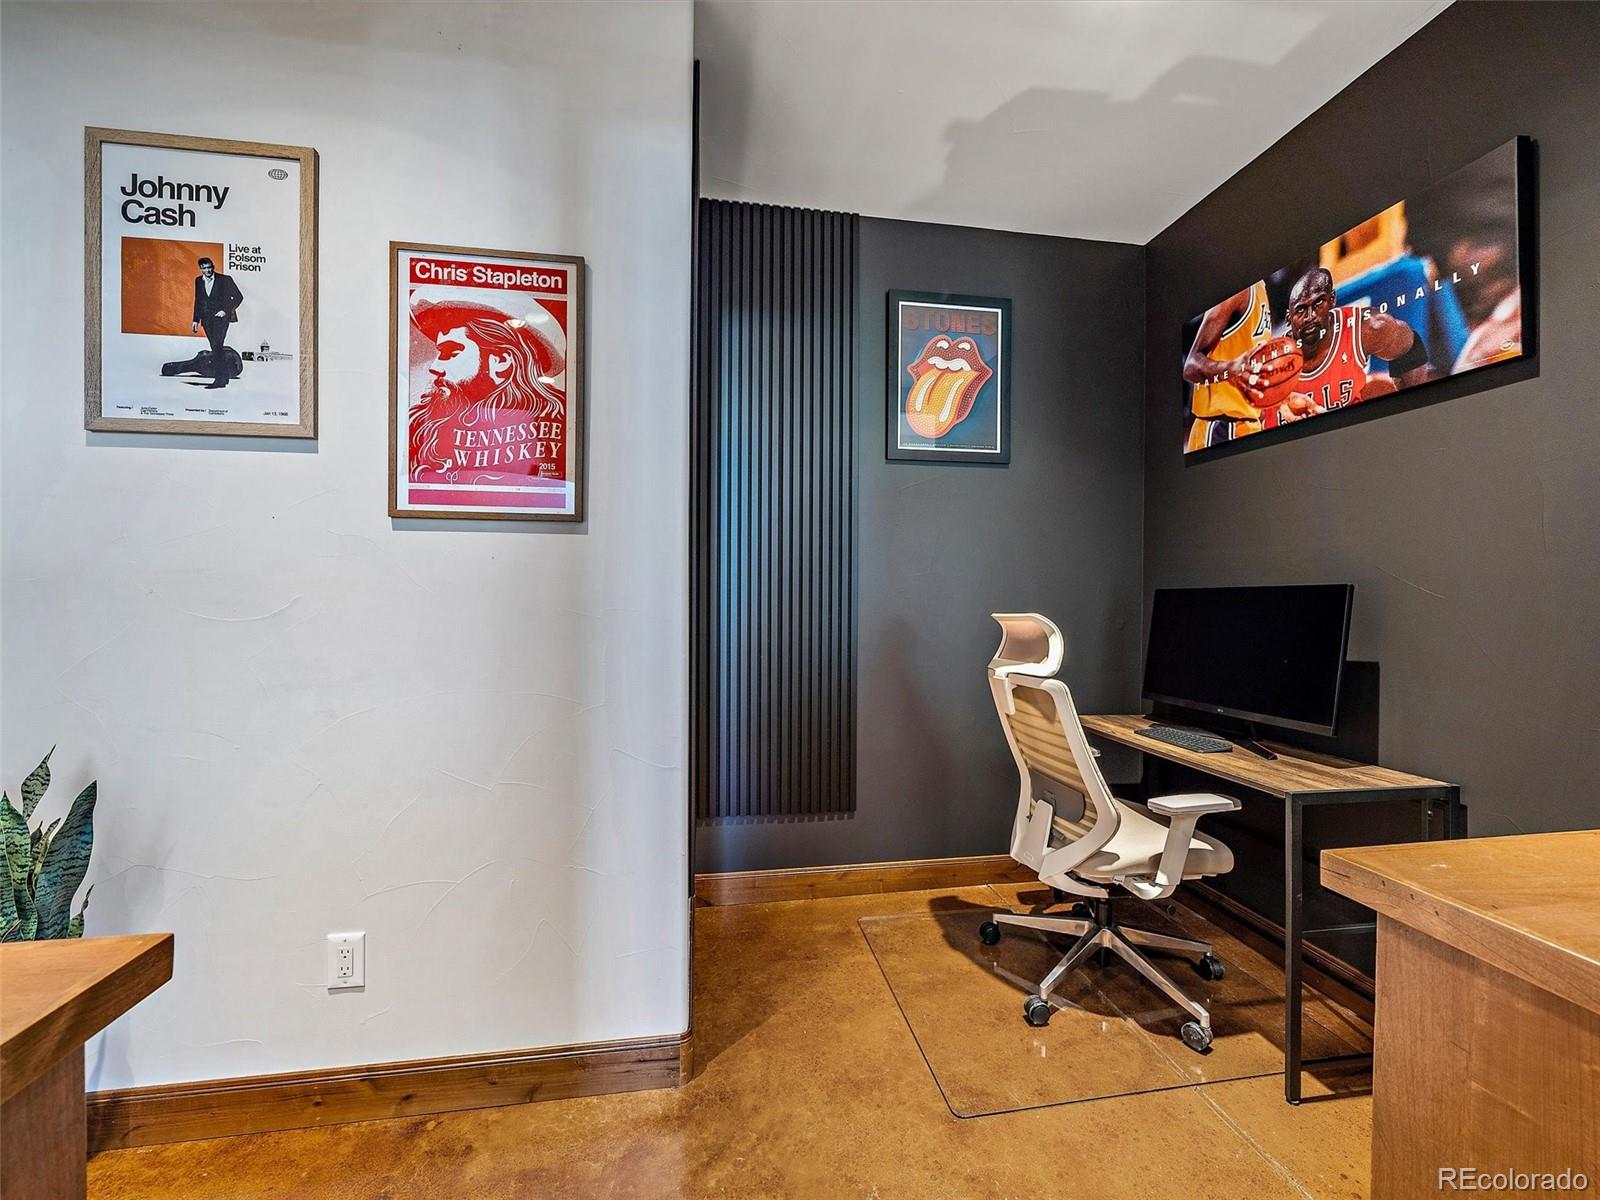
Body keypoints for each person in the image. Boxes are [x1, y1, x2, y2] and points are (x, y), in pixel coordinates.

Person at [407, 297, 567, 484]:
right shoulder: (420, 426)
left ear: (501, 362)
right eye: (439, 352)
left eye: (451, 352)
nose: (435, 367)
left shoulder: (558, 421)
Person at [1271, 266, 1428, 426]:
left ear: (1332, 300)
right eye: (1301, 310)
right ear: (1289, 318)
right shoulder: (1270, 364)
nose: (1310, 316)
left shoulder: (1369, 327)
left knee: (1377, 388)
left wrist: (1413, 413)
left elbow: (1411, 349)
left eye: (1318, 303)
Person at [1181, 281, 1272, 451]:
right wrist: (1229, 370)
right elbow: (1190, 365)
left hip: (1248, 426)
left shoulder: (1262, 291)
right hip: (1221, 429)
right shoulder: (1240, 291)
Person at [190, 257, 243, 389]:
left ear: (213, 266)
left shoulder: (225, 279)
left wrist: (225, 310)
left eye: (209, 267)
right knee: (216, 348)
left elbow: (238, 297)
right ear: (200, 268)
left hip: (221, 320)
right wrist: (196, 320)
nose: (207, 270)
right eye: (204, 268)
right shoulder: (198, 280)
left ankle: (219, 380)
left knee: (217, 346)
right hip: (206, 320)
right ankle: (223, 378)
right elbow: (199, 300)